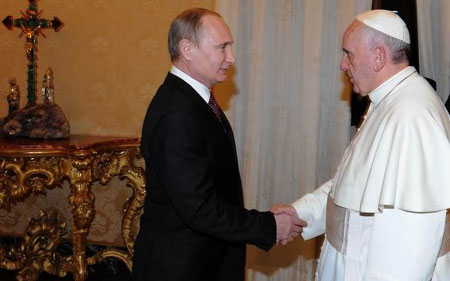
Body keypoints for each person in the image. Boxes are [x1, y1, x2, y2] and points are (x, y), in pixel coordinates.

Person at [273, 9, 450, 281]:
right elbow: (350, 187)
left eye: (348, 54)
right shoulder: (388, 101)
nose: (343, 65)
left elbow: (409, 251)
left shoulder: (411, 116)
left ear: (378, 57)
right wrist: (300, 213)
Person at [132, 8, 305, 281]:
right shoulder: (177, 113)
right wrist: (268, 225)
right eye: (222, 48)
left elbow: (214, 187)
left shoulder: (193, 100)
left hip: (205, 261)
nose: (231, 58)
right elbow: (198, 208)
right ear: (187, 49)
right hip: (182, 268)